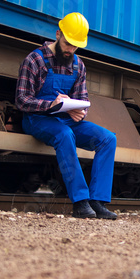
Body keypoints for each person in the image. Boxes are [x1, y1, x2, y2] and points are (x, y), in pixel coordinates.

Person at [15, 12, 118, 219]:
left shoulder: (78, 65)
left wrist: (78, 111)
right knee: (64, 134)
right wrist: (51, 104)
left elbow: (82, 99)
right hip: (37, 120)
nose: (71, 49)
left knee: (108, 139)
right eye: (68, 43)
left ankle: (97, 201)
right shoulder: (35, 60)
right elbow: (21, 100)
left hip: (66, 119)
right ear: (58, 34)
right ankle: (80, 201)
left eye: (76, 46)